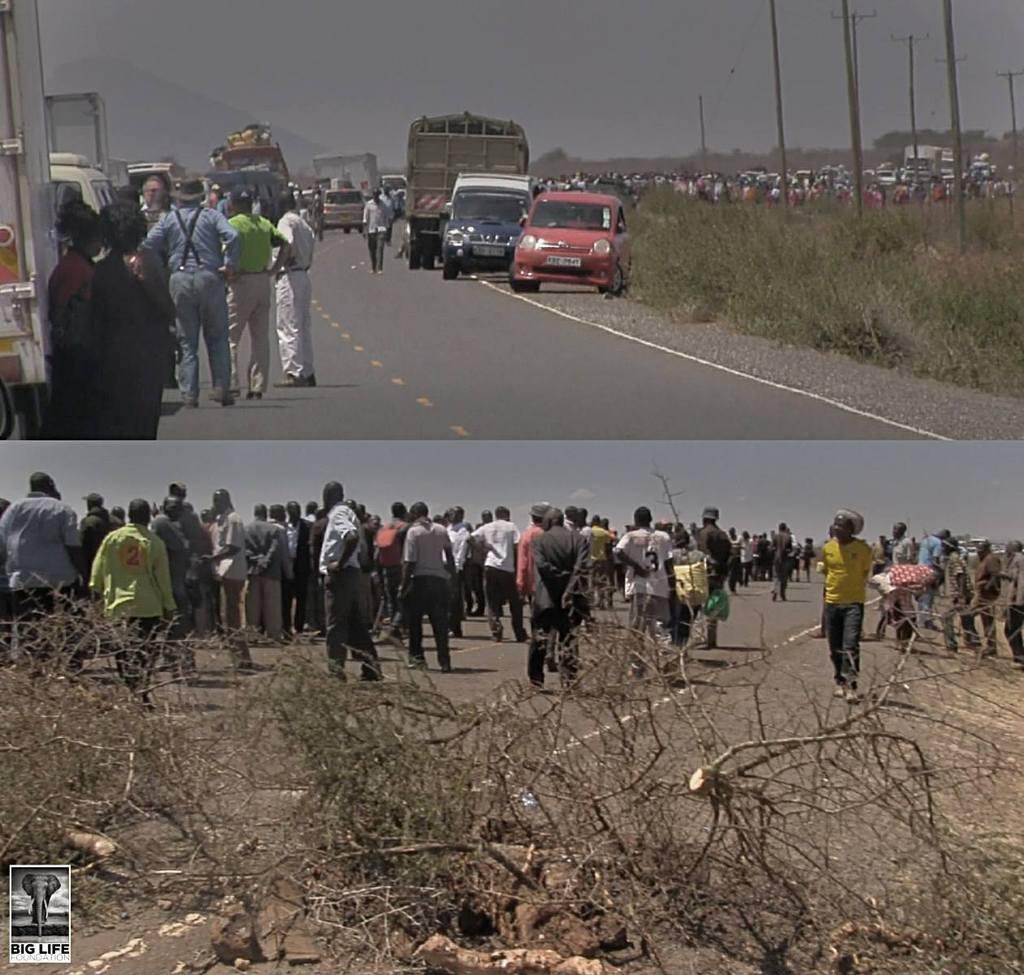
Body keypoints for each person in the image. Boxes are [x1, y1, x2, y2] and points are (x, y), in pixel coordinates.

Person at [143, 179, 241, 407]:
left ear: (179, 197)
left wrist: (162, 268)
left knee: (187, 341)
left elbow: (148, 244)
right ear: (201, 197)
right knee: (217, 337)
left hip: (180, 278)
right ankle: (221, 387)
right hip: (209, 276)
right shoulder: (211, 216)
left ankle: (189, 394)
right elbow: (233, 236)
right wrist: (230, 264)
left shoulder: (169, 219)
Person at [91, 201, 176, 437]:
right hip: (147, 353)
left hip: (112, 355)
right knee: (145, 423)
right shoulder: (145, 261)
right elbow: (166, 305)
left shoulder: (100, 270)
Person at [90, 499, 175, 697]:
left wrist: (97, 599)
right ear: (148, 517)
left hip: (119, 606)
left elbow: (96, 574)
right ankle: (141, 690)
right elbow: (163, 578)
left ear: (129, 515)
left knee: (122, 650)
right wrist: (169, 606)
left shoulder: (111, 539)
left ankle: (131, 687)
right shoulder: (155, 542)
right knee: (145, 651)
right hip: (148, 606)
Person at [39, 200, 103, 438]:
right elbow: (63, 311)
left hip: (76, 352)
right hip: (75, 355)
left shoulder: (74, 264)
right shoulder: (75, 269)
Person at [0, 474, 84, 653]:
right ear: (51, 486)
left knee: (28, 634)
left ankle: (34, 674)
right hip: (58, 583)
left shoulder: (13, 509)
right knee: (59, 633)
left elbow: (2, 543)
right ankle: (56, 672)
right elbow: (73, 546)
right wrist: (83, 574)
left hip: (22, 582)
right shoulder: (62, 509)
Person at [225, 189, 290, 401]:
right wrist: (275, 268)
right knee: (260, 337)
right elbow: (285, 244)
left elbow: (224, 252)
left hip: (241, 281)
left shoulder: (232, 224)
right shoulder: (263, 223)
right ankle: (258, 385)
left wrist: (228, 274)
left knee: (230, 336)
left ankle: (232, 382)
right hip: (262, 280)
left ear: (233, 204)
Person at [319, 481, 381, 680]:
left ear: (327, 496)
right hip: (351, 574)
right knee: (355, 625)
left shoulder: (338, 513)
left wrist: (338, 563)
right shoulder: (348, 512)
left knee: (336, 626)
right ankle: (372, 669)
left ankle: (336, 673)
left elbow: (351, 537)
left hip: (341, 575)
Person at [529, 507, 591, 687]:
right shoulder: (579, 540)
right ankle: (569, 679)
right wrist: (569, 585)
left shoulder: (540, 540)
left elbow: (542, 565)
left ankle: (536, 679)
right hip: (571, 598)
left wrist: (560, 577)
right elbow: (582, 567)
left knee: (540, 639)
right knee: (569, 639)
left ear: (547, 522)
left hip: (546, 597)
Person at [819, 509, 872, 704]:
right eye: (835, 524)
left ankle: (851, 685)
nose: (836, 528)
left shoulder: (862, 549)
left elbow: (865, 570)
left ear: (852, 529)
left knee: (850, 645)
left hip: (853, 603)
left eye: (841, 525)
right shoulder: (827, 548)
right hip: (832, 602)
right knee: (834, 646)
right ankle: (839, 681)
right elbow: (826, 570)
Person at [615, 507, 673, 664]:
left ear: (635, 520)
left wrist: (636, 567)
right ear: (650, 519)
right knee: (661, 628)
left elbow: (618, 552)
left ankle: (636, 666)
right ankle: (665, 664)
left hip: (639, 588)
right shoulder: (663, 537)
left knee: (637, 629)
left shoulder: (631, 536)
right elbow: (669, 563)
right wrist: (672, 586)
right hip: (660, 586)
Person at [401, 502, 455, 672]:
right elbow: (449, 555)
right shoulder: (441, 529)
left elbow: (410, 561)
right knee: (440, 624)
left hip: (420, 581)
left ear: (415, 514)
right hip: (439, 580)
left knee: (415, 624)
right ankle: (445, 661)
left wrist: (403, 585)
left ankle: (417, 659)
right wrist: (452, 577)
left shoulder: (413, 532)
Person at [206, 489, 254, 669]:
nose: (215, 504)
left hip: (232, 571)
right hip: (224, 571)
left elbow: (232, 547)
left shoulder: (233, 519)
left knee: (232, 617)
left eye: (218, 500)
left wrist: (213, 559)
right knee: (228, 617)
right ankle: (238, 657)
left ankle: (242, 658)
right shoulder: (222, 519)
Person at [274, 190, 317, 388]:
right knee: (303, 326)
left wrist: (277, 266)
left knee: (288, 325)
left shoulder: (285, 222)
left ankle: (293, 372)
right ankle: (307, 371)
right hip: (303, 274)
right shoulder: (303, 223)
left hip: (289, 275)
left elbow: (286, 243)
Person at [473, 506, 526, 644]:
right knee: (515, 602)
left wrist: (484, 548)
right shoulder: (511, 526)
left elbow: (470, 539)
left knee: (492, 601)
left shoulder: (487, 527)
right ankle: (519, 632)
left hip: (491, 565)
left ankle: (496, 631)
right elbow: (517, 544)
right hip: (507, 568)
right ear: (506, 515)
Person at [151, 495, 194, 654]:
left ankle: (171, 656)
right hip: (171, 579)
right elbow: (182, 546)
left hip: (171, 578)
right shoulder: (163, 523)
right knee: (177, 620)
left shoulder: (163, 522)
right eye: (174, 507)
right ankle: (179, 657)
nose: (178, 511)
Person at [697, 507, 732, 650]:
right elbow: (730, 555)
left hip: (705, 573)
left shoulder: (704, 533)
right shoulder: (723, 535)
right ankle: (711, 639)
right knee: (714, 604)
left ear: (704, 518)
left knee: (699, 605)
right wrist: (723, 572)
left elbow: (702, 552)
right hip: (720, 574)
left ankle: (702, 638)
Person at [374, 503, 409, 642]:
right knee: (404, 600)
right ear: (404, 512)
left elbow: (377, 553)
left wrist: (376, 571)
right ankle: (395, 628)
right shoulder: (405, 528)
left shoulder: (384, 528)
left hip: (385, 568)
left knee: (391, 601)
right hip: (401, 568)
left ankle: (396, 632)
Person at [942, 538, 977, 654]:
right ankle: (973, 643)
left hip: (958, 595)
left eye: (944, 546)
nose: (942, 548)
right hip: (962, 594)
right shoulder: (955, 557)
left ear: (949, 547)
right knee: (966, 619)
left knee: (946, 617)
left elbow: (960, 576)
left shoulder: (954, 558)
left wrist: (960, 595)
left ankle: (951, 645)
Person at [282, 502, 311, 638]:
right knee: (285, 598)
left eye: (297, 510)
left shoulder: (306, 526)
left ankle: (298, 627)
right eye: (292, 511)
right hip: (287, 565)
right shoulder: (283, 527)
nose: (295, 513)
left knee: (301, 598)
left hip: (301, 566)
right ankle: (286, 627)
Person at [973, 540, 1002, 658]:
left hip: (988, 595)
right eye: (977, 550)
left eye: (981, 550)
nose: (979, 553)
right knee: (984, 619)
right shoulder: (983, 559)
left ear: (987, 549)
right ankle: (987, 645)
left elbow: (995, 575)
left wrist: (987, 587)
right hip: (982, 593)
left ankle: (991, 646)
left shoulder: (990, 559)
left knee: (988, 620)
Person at [517, 504, 549, 608]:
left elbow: (522, 562)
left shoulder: (526, 535)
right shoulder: (550, 534)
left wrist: (520, 584)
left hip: (533, 583)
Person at [446, 507, 471, 638]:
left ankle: (453, 627)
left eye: (453, 513)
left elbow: (460, 552)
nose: (450, 516)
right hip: (444, 566)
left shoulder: (463, 531)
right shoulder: (448, 529)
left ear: (460, 515)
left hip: (454, 568)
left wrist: (455, 569)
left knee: (453, 599)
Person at [80, 493, 115, 585]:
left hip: (92, 564)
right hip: (110, 564)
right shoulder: (113, 521)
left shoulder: (87, 521)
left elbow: (82, 545)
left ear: (89, 504)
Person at [1002, 541, 1024, 668]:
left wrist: (1019, 602)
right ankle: (1019, 655)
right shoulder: (1015, 559)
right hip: (1014, 601)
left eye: (1007, 546)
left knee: (1011, 629)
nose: (1006, 549)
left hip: (1018, 602)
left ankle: (1020, 657)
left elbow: (1022, 581)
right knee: (1011, 629)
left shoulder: (1020, 560)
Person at [362, 189, 391, 274]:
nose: (375, 196)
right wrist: (364, 231)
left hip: (381, 229)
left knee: (380, 248)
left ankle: (380, 268)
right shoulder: (369, 205)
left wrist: (387, 230)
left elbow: (387, 218)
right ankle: (373, 267)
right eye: (374, 195)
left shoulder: (383, 205)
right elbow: (365, 219)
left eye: (377, 195)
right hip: (371, 230)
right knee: (372, 250)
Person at [772, 522, 794, 602]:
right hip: (785, 559)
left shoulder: (775, 536)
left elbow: (773, 547)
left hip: (776, 558)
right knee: (784, 578)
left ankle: (775, 590)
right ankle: (782, 594)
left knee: (776, 576)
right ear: (785, 528)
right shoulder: (788, 537)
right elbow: (790, 549)